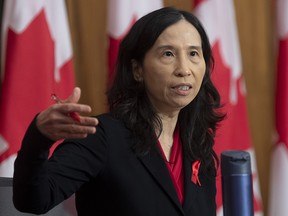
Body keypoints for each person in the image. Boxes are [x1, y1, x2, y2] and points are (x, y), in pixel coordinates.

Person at [13, 7, 225, 216]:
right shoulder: (101, 138)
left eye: (193, 54)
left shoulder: (197, 148)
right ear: (137, 70)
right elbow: (33, 200)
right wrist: (39, 138)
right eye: (168, 54)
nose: (184, 69)